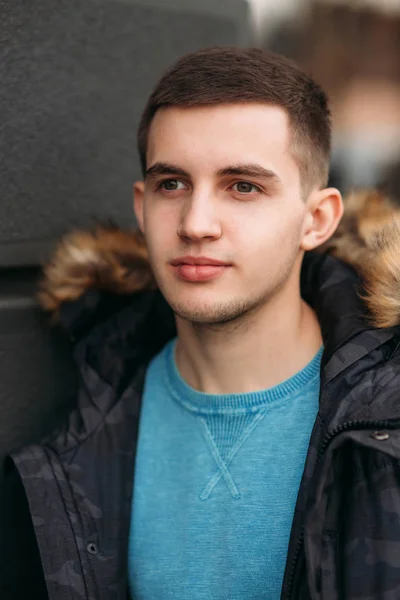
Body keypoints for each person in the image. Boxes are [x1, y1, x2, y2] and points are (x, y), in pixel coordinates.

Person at [7, 47, 400, 600]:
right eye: (172, 184)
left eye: (243, 186)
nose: (196, 224)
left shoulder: (386, 421)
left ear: (316, 220)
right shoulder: (90, 423)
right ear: (141, 208)